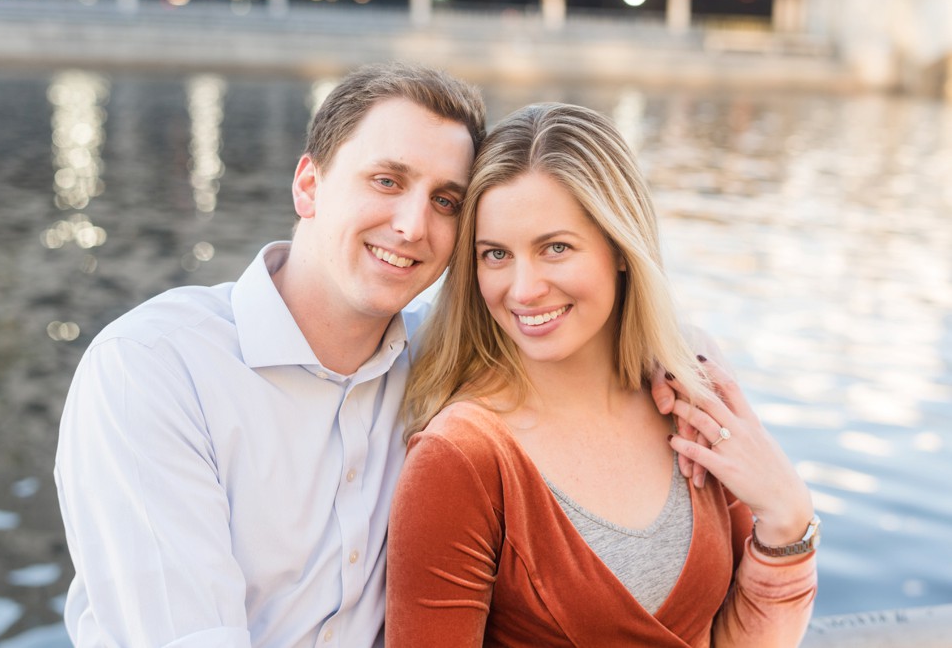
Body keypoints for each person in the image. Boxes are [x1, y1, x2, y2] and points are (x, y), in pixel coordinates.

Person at [54, 62, 487, 647]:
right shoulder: (151, 368)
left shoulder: (448, 357)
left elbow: (583, 360)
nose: (413, 225)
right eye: (386, 181)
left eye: (446, 201)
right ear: (308, 186)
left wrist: (652, 385)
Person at [386, 103, 819, 647]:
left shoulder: (690, 399)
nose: (522, 290)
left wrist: (787, 518)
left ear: (619, 247)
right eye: (496, 254)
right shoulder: (461, 460)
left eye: (556, 248)